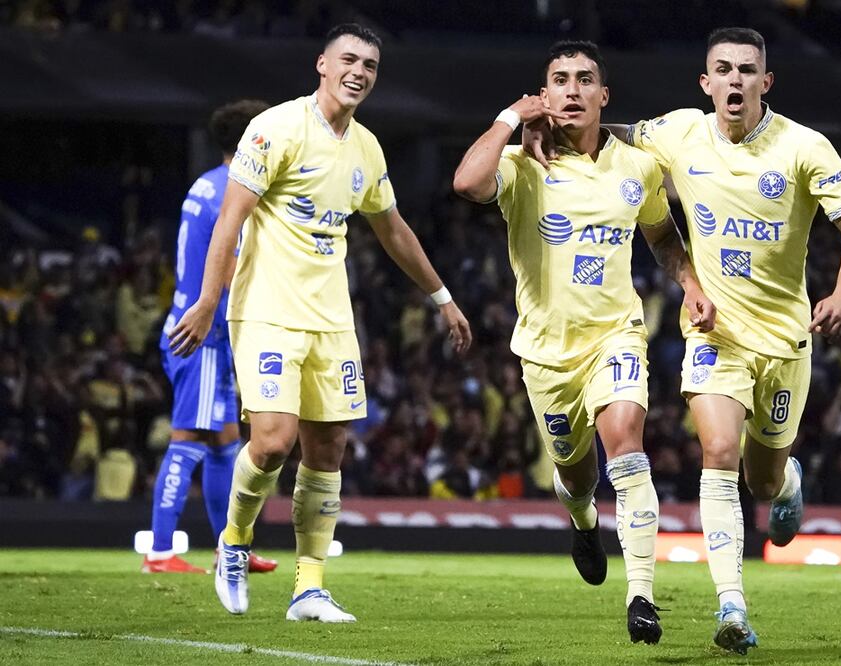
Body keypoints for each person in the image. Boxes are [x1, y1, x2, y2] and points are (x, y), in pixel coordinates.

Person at [527, 26, 841, 654]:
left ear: (766, 82)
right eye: (723, 69)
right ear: (705, 83)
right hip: (715, 331)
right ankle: (733, 608)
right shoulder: (679, 130)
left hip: (786, 338)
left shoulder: (804, 147)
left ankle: (788, 482)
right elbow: (608, 131)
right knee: (717, 450)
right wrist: (541, 125)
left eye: (747, 70)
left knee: (763, 481)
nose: (735, 80)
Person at [169, 23, 472, 622]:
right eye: (349, 60)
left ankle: (309, 588)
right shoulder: (275, 128)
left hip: (331, 317)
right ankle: (234, 542)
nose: (359, 72)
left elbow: (393, 230)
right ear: (322, 66)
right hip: (265, 310)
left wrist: (441, 297)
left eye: (370, 65)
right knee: (274, 441)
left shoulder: (367, 147)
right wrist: (207, 300)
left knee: (328, 449)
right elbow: (231, 219)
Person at [454, 40, 715, 645]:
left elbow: (663, 236)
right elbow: (466, 181)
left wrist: (690, 283)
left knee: (624, 437)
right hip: (546, 352)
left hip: (615, 335)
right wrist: (510, 118)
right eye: (559, 80)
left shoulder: (637, 167)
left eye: (584, 80)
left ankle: (642, 596)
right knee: (575, 474)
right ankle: (581, 520)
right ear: (544, 95)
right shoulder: (521, 167)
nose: (571, 90)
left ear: (604, 96)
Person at [145, 99, 278, 576]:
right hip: (202, 334)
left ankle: (229, 550)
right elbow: (230, 270)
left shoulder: (206, 183)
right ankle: (159, 553)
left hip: (203, 331)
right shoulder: (233, 191)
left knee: (224, 443)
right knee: (188, 439)